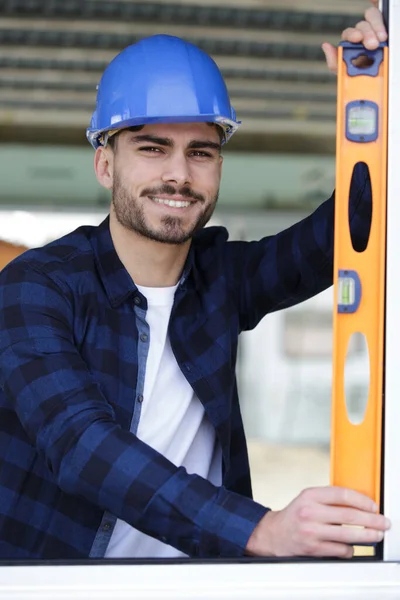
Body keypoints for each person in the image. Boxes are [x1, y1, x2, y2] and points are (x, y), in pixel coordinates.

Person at [0, 2, 391, 560]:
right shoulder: (35, 288)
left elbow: (358, 222)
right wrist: (260, 530)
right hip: (60, 587)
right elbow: (81, 445)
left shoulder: (221, 281)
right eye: (152, 148)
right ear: (105, 163)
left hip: (205, 583)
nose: (178, 175)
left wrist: (375, 96)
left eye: (200, 152)